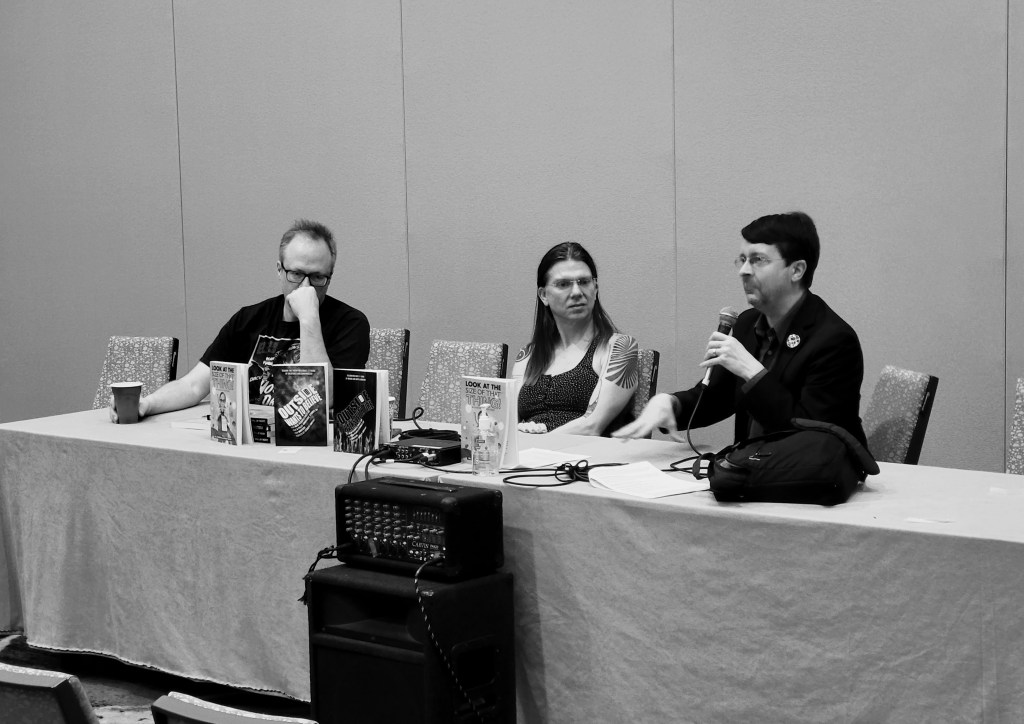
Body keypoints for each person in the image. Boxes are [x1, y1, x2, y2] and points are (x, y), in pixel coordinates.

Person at [614, 211, 867, 445]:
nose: (743, 271)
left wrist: (751, 371)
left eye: (758, 260)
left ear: (797, 270)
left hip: (815, 473)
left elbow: (813, 437)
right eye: (743, 260)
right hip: (754, 467)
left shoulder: (834, 340)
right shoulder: (748, 323)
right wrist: (671, 404)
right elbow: (717, 398)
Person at [110, 219, 370, 421]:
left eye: (317, 277)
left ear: (330, 277)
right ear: (279, 270)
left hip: (310, 449)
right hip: (250, 444)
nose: (306, 286)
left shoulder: (351, 324)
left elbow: (325, 399)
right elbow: (193, 385)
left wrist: (309, 317)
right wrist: (147, 404)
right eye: (296, 274)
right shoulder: (248, 320)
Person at [512, 242, 639, 436]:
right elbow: (507, 420)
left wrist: (536, 442)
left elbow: (592, 425)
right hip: (528, 452)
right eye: (563, 284)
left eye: (584, 282)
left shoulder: (619, 347)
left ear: (595, 288)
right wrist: (519, 434)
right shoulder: (528, 354)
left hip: (586, 453)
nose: (577, 292)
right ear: (544, 295)